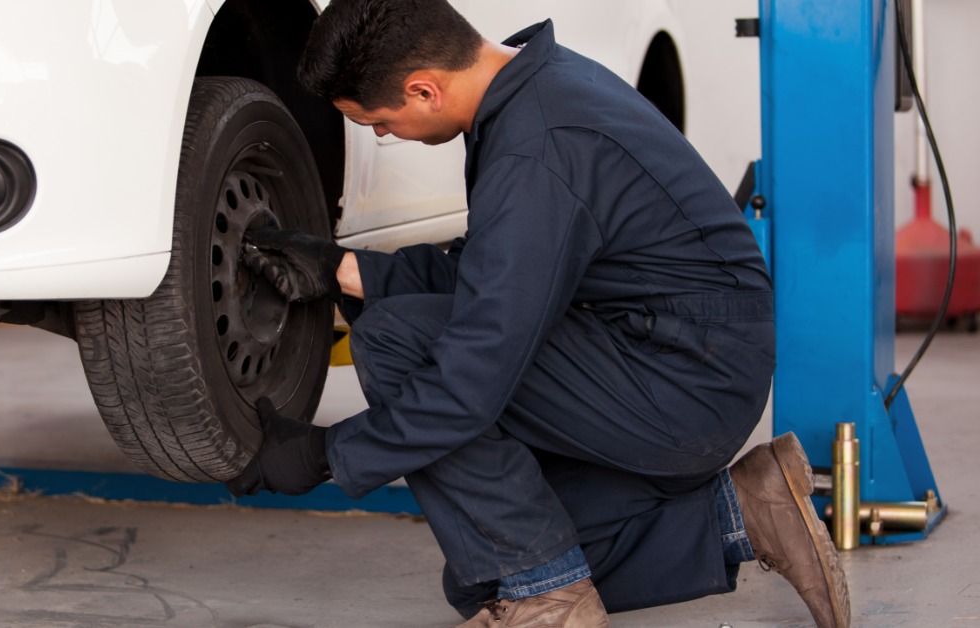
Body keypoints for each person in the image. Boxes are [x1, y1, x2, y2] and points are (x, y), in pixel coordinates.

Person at [226, 1, 850, 626]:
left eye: (381, 122)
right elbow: (505, 273)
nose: (384, 137)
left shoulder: (537, 148)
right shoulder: (535, 90)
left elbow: (472, 380)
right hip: (676, 357)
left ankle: (550, 598)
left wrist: (327, 453)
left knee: (397, 340)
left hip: (684, 379)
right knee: (484, 577)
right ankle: (742, 512)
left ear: (423, 88)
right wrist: (341, 266)